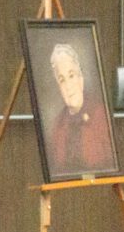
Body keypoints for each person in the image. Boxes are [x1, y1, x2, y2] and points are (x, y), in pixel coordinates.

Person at [47, 43, 113, 176]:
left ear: (80, 79)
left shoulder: (100, 115)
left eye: (71, 76)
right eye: (62, 80)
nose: (68, 86)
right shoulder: (58, 125)